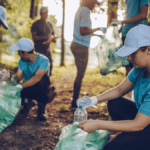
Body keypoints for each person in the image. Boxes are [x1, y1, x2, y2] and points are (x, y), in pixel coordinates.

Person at [78, 24, 150, 150]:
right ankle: (131, 138)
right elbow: (119, 90)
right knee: (115, 103)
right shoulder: (140, 69)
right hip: (144, 121)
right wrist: (93, 100)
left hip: (142, 125)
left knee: (110, 148)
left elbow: (139, 124)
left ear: (149, 49)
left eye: (133, 53)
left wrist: (98, 124)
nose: (128, 58)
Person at [70, 0, 106, 109]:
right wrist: (98, 28)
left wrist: (95, 34)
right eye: (94, 3)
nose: (95, 6)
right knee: (80, 75)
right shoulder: (85, 11)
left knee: (79, 75)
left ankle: (74, 101)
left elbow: (82, 31)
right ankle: (74, 103)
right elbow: (83, 31)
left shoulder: (80, 10)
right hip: (81, 46)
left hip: (76, 44)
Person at [111, 0, 149, 98]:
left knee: (137, 67)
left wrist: (122, 22)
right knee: (130, 68)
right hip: (127, 35)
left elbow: (143, 14)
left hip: (138, 38)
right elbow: (118, 90)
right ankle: (130, 97)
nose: (128, 57)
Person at [10, 38, 51, 121]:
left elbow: (37, 78)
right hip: (27, 87)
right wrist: (8, 80)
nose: (18, 54)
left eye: (19, 52)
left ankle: (41, 110)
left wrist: (19, 86)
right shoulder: (22, 61)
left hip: (40, 88)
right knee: (15, 91)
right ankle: (27, 104)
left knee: (44, 79)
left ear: (24, 52)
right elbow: (18, 76)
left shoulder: (44, 60)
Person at [31, 6, 57, 76]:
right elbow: (34, 37)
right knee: (38, 69)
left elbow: (53, 36)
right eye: (43, 13)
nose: (45, 15)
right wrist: (46, 37)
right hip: (38, 50)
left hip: (48, 51)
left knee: (49, 67)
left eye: (46, 13)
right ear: (40, 14)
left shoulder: (49, 25)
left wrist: (53, 39)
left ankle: (46, 84)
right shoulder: (36, 24)